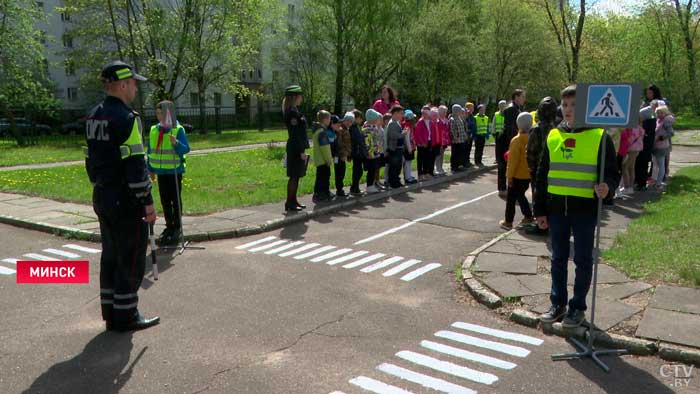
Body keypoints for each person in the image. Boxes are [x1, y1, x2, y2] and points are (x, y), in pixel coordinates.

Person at [535, 85, 619, 328]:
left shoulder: (599, 136)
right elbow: (542, 174)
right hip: (556, 209)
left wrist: (608, 188)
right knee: (558, 258)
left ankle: (577, 307)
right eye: (565, 105)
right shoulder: (553, 135)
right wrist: (539, 210)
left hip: (584, 210)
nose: (569, 110)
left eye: (574, 105)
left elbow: (612, 173)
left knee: (583, 260)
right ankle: (557, 303)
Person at [85, 60, 159, 332]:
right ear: (124, 84)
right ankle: (126, 316)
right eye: (134, 83)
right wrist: (148, 202)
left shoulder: (94, 116)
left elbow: (90, 160)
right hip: (126, 201)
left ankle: (111, 313)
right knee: (130, 258)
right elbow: (135, 166)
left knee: (111, 256)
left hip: (102, 195)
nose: (136, 88)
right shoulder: (128, 119)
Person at [147, 100, 190, 246]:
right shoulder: (154, 130)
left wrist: (176, 143)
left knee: (175, 200)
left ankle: (177, 227)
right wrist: (150, 169)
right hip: (161, 172)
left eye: (161, 113)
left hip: (174, 171)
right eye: (157, 113)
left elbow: (186, 149)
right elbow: (150, 151)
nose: (159, 116)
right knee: (165, 200)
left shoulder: (178, 129)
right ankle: (169, 225)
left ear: (168, 113)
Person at [524, 97, 558, 235]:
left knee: (538, 196)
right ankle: (548, 223)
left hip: (539, 169)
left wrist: (531, 167)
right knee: (549, 197)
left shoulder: (536, 129)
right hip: (553, 169)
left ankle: (541, 225)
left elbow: (530, 151)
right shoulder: (556, 128)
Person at [500, 112, 534, 230]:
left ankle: (508, 221)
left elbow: (512, 161)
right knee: (520, 196)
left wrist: (509, 176)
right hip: (528, 174)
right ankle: (528, 216)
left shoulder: (516, 140)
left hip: (517, 175)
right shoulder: (532, 138)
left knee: (511, 199)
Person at [283, 85, 310, 211]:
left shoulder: (295, 111)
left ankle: (293, 200)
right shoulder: (292, 113)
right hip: (295, 148)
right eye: (300, 96)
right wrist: (300, 151)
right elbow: (295, 133)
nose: (302, 98)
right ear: (295, 97)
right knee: (294, 176)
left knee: (297, 175)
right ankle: (290, 202)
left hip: (297, 146)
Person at [498, 89, 526, 198]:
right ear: (516, 97)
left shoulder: (517, 108)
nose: (524, 99)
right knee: (504, 164)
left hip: (511, 139)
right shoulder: (511, 109)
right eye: (523, 96)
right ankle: (502, 189)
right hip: (506, 140)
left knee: (512, 164)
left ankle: (510, 188)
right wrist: (514, 142)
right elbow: (511, 127)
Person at [635, 99, 661, 191]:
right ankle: (640, 183)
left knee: (641, 163)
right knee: (642, 163)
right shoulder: (649, 118)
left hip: (644, 145)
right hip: (645, 144)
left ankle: (640, 183)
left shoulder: (646, 123)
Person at [312, 110, 334, 202]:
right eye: (329, 118)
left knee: (320, 177)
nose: (330, 121)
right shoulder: (322, 132)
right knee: (323, 177)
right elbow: (324, 147)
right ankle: (321, 194)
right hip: (323, 160)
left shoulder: (317, 130)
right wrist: (329, 160)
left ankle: (320, 193)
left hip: (319, 159)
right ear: (325, 119)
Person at [651, 105, 674, 189]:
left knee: (661, 165)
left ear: (665, 113)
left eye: (661, 113)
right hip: (655, 146)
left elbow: (671, 133)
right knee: (656, 164)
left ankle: (659, 183)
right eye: (657, 113)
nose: (659, 114)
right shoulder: (658, 120)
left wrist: (661, 138)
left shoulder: (665, 122)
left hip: (662, 146)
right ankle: (657, 181)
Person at [618, 120, 643, 195]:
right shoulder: (639, 127)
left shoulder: (633, 128)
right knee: (631, 168)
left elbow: (629, 140)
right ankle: (629, 187)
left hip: (631, 149)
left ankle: (627, 187)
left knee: (625, 167)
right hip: (636, 149)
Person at [414, 105, 439, 180]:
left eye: (426, 113)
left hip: (429, 142)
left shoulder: (431, 122)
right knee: (420, 159)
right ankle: (420, 174)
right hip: (421, 143)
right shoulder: (420, 122)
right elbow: (418, 134)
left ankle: (426, 173)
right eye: (423, 113)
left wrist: (432, 142)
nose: (425, 115)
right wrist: (422, 142)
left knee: (427, 158)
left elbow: (432, 133)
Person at [386, 105, 407, 188]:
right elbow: (393, 136)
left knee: (398, 166)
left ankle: (396, 181)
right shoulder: (392, 123)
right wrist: (403, 134)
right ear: (395, 113)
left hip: (398, 148)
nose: (402, 115)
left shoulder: (396, 122)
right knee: (394, 166)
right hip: (394, 149)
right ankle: (393, 182)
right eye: (401, 113)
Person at [364, 109, 383, 193]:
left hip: (375, 153)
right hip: (371, 154)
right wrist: (370, 153)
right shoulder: (367, 129)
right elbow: (367, 143)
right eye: (376, 118)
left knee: (374, 169)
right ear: (371, 119)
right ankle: (369, 186)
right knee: (371, 170)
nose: (377, 120)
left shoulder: (374, 127)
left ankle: (371, 184)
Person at [349, 110, 368, 195]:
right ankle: (354, 188)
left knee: (359, 170)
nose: (361, 120)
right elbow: (356, 140)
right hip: (357, 152)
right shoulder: (353, 128)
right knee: (357, 171)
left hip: (359, 152)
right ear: (355, 118)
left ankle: (355, 187)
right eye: (360, 118)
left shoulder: (357, 127)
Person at [336, 113, 353, 197]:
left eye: (351, 122)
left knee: (342, 172)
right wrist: (343, 154)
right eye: (347, 121)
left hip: (345, 154)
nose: (349, 123)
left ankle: (340, 189)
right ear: (344, 120)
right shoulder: (341, 129)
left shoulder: (347, 129)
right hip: (340, 155)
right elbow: (340, 143)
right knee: (340, 172)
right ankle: (339, 190)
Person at [449, 104, 469, 172]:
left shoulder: (460, 118)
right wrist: (455, 138)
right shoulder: (452, 119)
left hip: (461, 139)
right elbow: (452, 130)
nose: (460, 112)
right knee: (455, 153)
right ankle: (454, 167)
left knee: (460, 153)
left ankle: (459, 166)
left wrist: (465, 135)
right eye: (459, 110)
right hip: (456, 140)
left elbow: (462, 128)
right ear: (456, 111)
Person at [402, 109, 418, 184]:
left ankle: (409, 176)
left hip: (411, 147)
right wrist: (409, 148)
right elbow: (407, 139)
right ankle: (407, 178)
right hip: (408, 148)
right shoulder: (407, 127)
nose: (415, 119)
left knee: (409, 162)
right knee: (408, 163)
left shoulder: (410, 126)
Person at [435, 105, 451, 176]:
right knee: (438, 155)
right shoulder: (437, 120)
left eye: (445, 112)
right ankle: (437, 168)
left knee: (442, 154)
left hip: (445, 141)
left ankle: (440, 168)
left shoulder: (446, 120)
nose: (445, 113)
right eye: (443, 112)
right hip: (439, 141)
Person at [464, 102, 477, 167]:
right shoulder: (465, 116)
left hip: (471, 135)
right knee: (465, 149)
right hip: (466, 136)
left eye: (473, 108)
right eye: (471, 108)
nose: (472, 109)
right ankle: (464, 162)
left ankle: (467, 161)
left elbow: (474, 126)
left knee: (469, 149)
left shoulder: (473, 117)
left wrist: (473, 135)